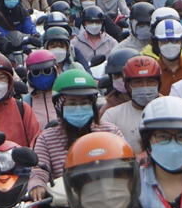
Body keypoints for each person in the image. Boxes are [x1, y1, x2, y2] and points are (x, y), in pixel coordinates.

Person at [44, 132, 180, 208]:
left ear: (132, 182)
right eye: (91, 180)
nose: (104, 188)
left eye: (116, 176)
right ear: (77, 191)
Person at [28, 69, 124, 201]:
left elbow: (125, 165)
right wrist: (37, 185)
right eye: (72, 103)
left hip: (107, 204)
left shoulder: (111, 132)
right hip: (66, 206)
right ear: (59, 106)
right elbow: (39, 172)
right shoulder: (46, 139)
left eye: (84, 103)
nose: (79, 108)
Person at [151, 19, 182, 95]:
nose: (170, 44)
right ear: (158, 42)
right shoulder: (152, 69)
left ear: (181, 41)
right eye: (164, 41)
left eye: (174, 40)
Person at [23, 50, 60, 128]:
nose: (42, 76)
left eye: (47, 71)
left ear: (55, 71)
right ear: (29, 76)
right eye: (36, 72)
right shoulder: (26, 101)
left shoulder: (62, 97)